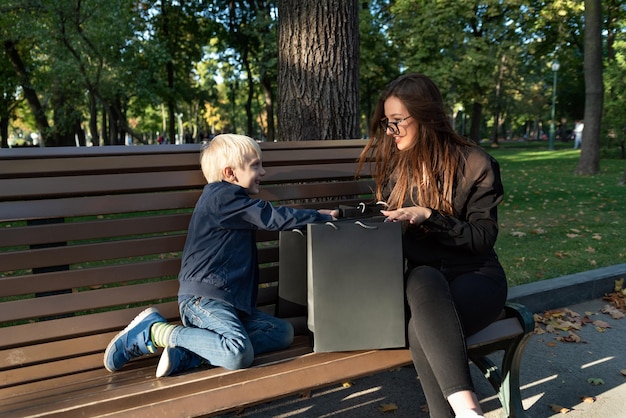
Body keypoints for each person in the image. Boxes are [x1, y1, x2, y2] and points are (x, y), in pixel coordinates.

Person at [104, 134, 338, 378]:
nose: (263, 172)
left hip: (229, 304)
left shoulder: (232, 201)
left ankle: (189, 353)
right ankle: (155, 332)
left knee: (281, 333)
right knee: (238, 353)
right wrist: (319, 216)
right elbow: (271, 217)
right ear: (230, 173)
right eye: (255, 165)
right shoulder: (222, 199)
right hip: (203, 300)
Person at [357, 73, 507, 418]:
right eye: (386, 122)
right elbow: (385, 225)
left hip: (476, 277)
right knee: (423, 278)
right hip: (423, 286)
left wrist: (429, 216)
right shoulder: (395, 165)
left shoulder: (475, 163)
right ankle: (470, 413)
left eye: (397, 122)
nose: (391, 131)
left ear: (426, 117)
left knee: (420, 329)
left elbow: (482, 239)